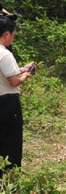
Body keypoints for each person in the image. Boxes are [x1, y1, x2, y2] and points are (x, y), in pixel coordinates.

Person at [0, 16, 35, 171]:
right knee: (11, 140)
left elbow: (7, 74)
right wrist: (26, 75)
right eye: (13, 34)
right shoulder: (5, 54)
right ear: (7, 34)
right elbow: (14, 82)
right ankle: (10, 175)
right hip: (7, 103)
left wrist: (21, 69)